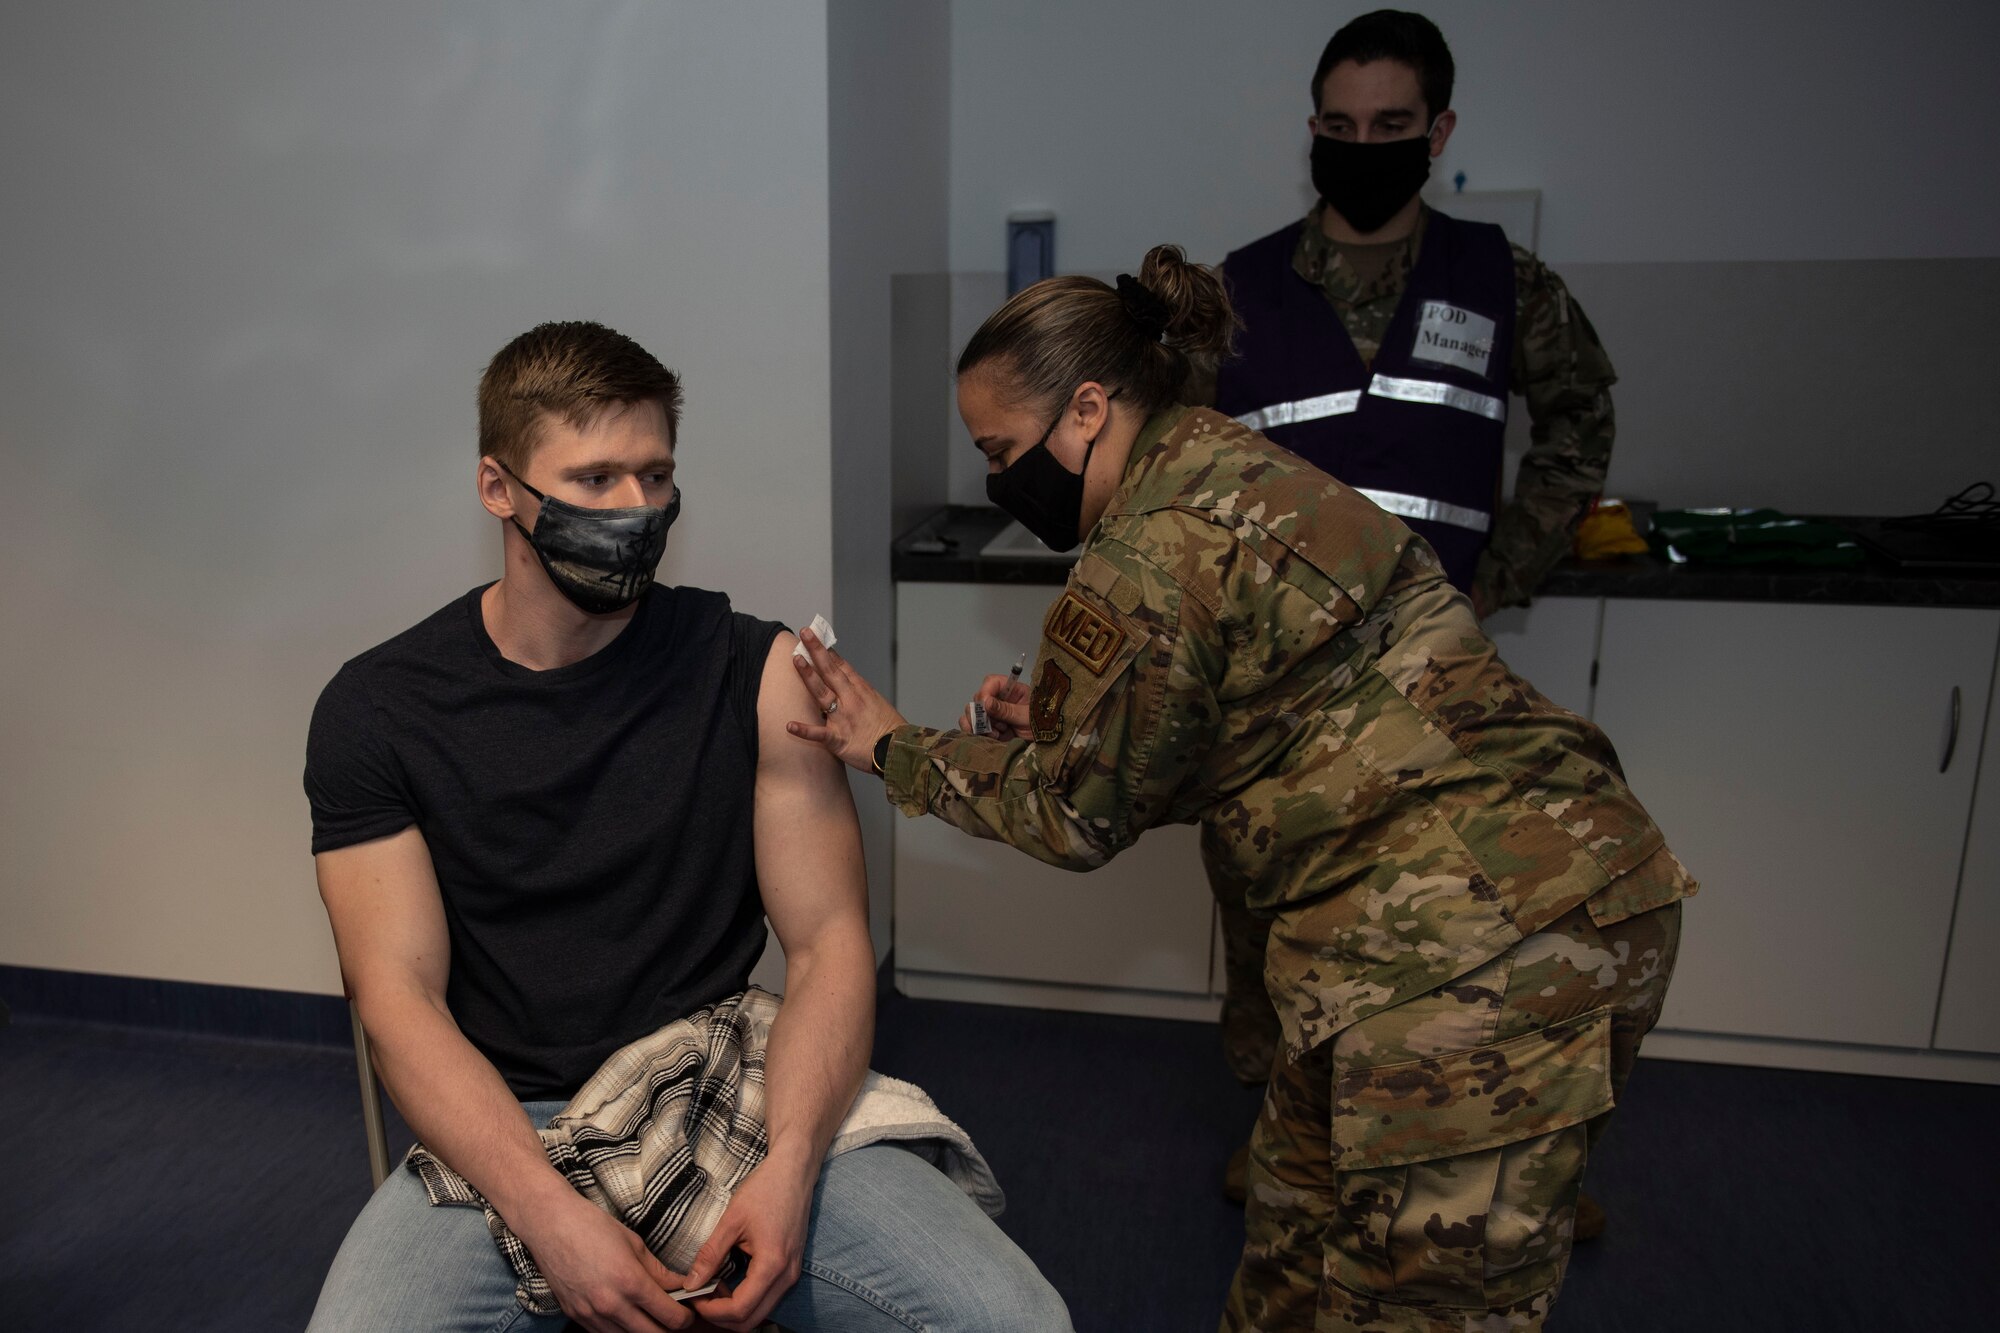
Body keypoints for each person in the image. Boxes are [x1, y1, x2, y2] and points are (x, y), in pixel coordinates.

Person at [788, 251, 1691, 1332]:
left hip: (1475, 958)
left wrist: (890, 744)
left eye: (1000, 450)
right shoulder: (1226, 461)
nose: (995, 478)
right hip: (1501, 896)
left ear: (1085, 408)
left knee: (1408, 1306)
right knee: (1292, 1253)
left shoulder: (1142, 554)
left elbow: (1072, 816)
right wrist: (1095, 734)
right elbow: (1278, 709)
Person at [302, 321, 1071, 1333]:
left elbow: (829, 941)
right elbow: (396, 998)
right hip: (509, 1116)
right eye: (594, 480)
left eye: (654, 477)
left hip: (731, 1078)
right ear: (499, 488)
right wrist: (544, 1210)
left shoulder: (752, 673)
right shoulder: (380, 708)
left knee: (1011, 1320)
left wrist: (790, 1167)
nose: (634, 510)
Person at [1202, 11, 1627, 1213]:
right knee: (1283, 925)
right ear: (1312, 134)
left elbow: (1578, 420)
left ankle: (1505, 1155)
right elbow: (1175, 469)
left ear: (1437, 131)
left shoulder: (1500, 278)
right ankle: (1288, 1132)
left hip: (1435, 675)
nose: (1363, 145)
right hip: (1275, 681)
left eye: (1390, 126)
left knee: (1462, 928)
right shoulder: (1237, 291)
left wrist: (1506, 566)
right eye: (1338, 127)